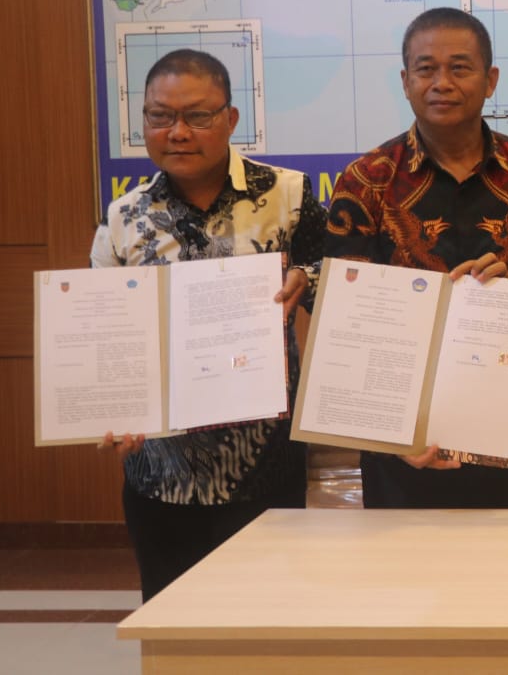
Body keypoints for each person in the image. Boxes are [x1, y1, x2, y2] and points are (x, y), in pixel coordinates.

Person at [324, 7, 508, 509]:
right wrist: (390, 429)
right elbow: (342, 314)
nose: (442, 83)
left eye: (460, 68)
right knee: (402, 559)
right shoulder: (366, 180)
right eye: (426, 69)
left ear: (490, 80)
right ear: (405, 82)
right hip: (401, 437)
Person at [93, 49, 327, 601]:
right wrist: (113, 410)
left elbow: (338, 291)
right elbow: (107, 332)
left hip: (265, 468)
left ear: (230, 118)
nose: (177, 132)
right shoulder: (125, 216)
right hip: (160, 478)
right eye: (159, 116)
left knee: (267, 623)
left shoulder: (288, 195)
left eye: (197, 116)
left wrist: (309, 278)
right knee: (173, 625)